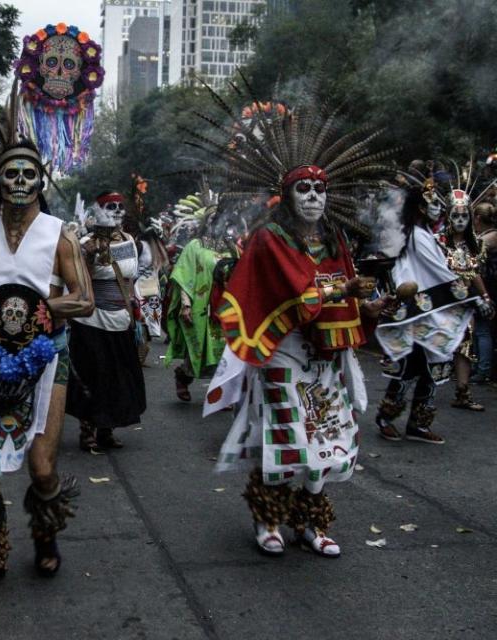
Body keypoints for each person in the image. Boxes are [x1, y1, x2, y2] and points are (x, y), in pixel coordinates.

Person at [197, 97, 393, 558]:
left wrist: (370, 306)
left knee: (328, 437)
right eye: (303, 189)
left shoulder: (335, 240)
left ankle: (309, 522)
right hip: (282, 349)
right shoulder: (270, 239)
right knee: (289, 437)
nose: (313, 197)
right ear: (287, 196)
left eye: (319, 189)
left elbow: (348, 296)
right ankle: (268, 518)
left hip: (326, 356)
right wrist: (340, 292)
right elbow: (295, 292)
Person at [0, 138, 93, 596]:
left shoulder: (59, 233)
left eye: (29, 174)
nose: (21, 182)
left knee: (41, 465)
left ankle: (45, 531)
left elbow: (83, 299)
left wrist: (33, 307)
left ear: (41, 182)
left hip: (47, 358)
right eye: (12, 174)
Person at [374, 179, 490, 444]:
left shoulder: (424, 234)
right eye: (433, 204)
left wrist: (474, 295)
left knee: (433, 367)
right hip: (417, 312)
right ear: (419, 208)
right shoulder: (415, 235)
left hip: (433, 311)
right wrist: (473, 297)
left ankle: (418, 424)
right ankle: (386, 418)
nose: (438, 209)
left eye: (439, 205)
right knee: (408, 366)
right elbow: (441, 273)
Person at [67, 191, 146, 451]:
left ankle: (106, 430)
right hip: (92, 322)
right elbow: (78, 282)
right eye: (110, 206)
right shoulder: (85, 243)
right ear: (99, 211)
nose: (116, 210)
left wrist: (136, 309)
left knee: (117, 378)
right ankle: (87, 429)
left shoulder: (130, 242)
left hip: (121, 320)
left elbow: (131, 280)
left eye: (120, 206)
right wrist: (88, 257)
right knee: (93, 376)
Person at [165, 208, 241, 401]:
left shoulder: (230, 247)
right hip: (202, 307)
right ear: (207, 222)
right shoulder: (195, 246)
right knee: (197, 354)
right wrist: (185, 305)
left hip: (226, 308)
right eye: (214, 219)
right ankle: (182, 376)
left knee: (227, 352)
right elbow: (184, 276)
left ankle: (221, 395)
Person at [437, 187, 493, 410]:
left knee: (465, 346)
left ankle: (462, 391)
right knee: (434, 347)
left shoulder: (474, 245)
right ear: (448, 215)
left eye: (464, 216)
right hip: (440, 303)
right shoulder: (438, 242)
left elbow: (474, 272)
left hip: (465, 304)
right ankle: (419, 393)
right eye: (456, 215)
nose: (460, 220)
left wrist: (485, 297)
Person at [474, 202, 497, 382]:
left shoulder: (484, 240)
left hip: (488, 289)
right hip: (492, 287)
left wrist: (484, 295)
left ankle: (483, 370)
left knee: (482, 330)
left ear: (478, 218)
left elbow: (474, 268)